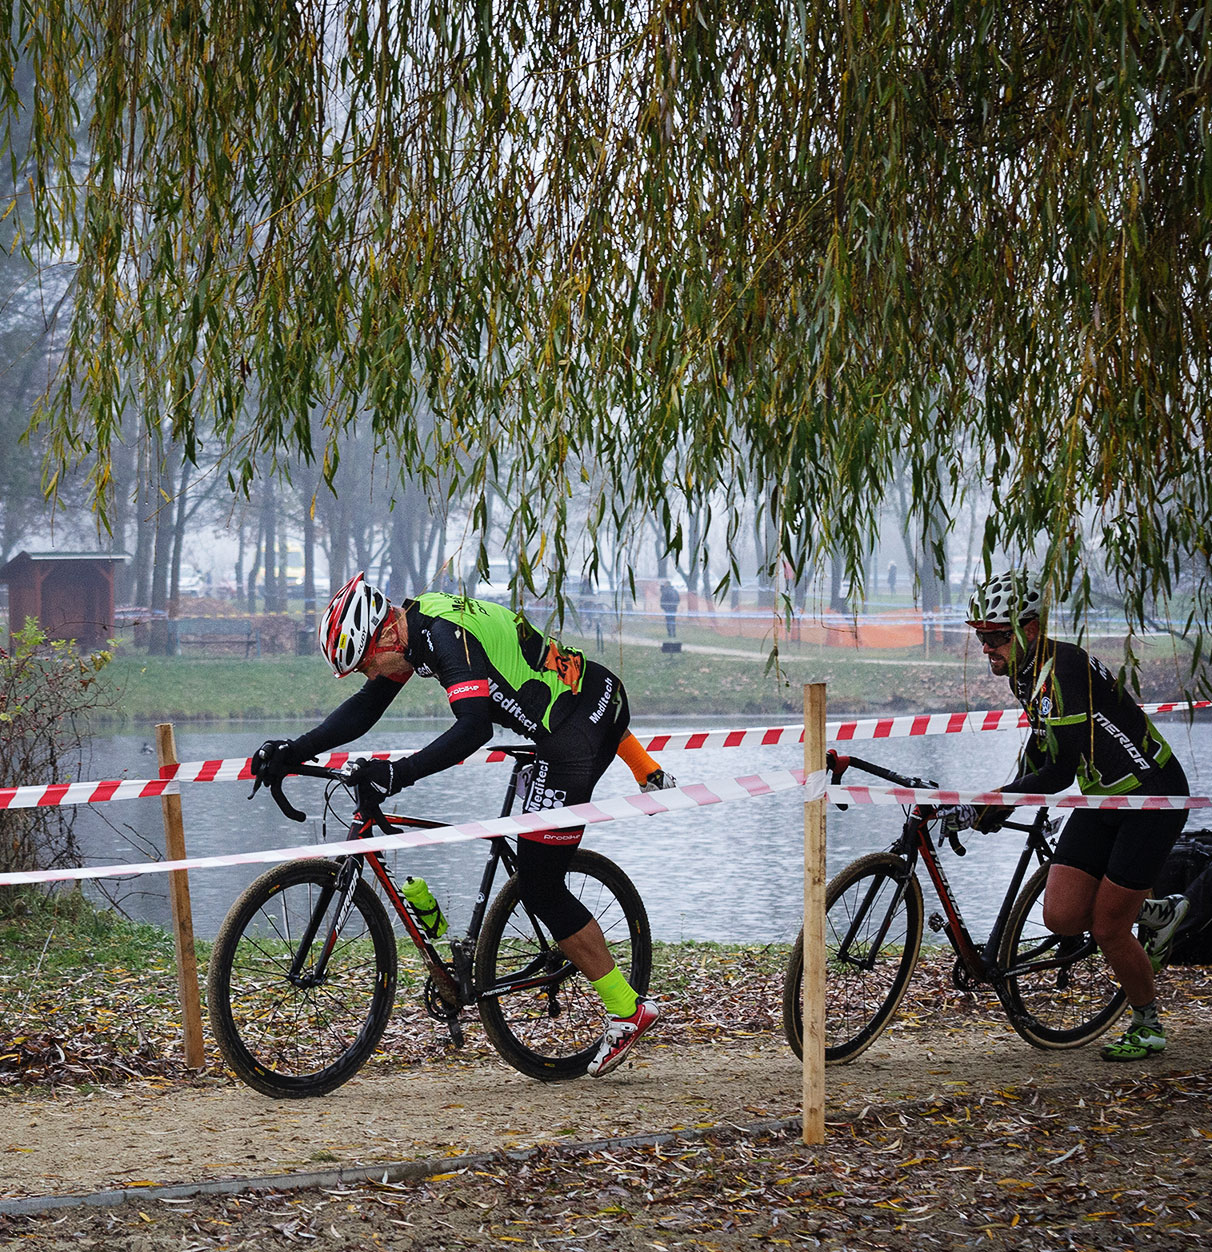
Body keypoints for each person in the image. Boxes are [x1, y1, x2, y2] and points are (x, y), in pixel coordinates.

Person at [251, 573, 673, 1077]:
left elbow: (474, 727)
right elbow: (367, 708)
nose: (369, 672)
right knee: (529, 856)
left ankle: (629, 1010)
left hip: (578, 727)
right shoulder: (415, 624)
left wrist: (398, 773)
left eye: (364, 661)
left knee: (541, 885)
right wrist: (293, 751)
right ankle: (635, 773)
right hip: (583, 698)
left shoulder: (444, 636)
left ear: (385, 634)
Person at [960, 569, 1190, 1062]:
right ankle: (1158, 912)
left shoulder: (1063, 669)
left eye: (995, 636)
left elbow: (1059, 772)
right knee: (1061, 917)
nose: (986, 649)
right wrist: (1004, 799)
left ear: (1028, 629)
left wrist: (998, 798)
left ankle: (1148, 1023)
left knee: (1108, 928)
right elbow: (1042, 746)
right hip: (1101, 796)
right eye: (981, 637)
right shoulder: (1026, 672)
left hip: (1150, 797)